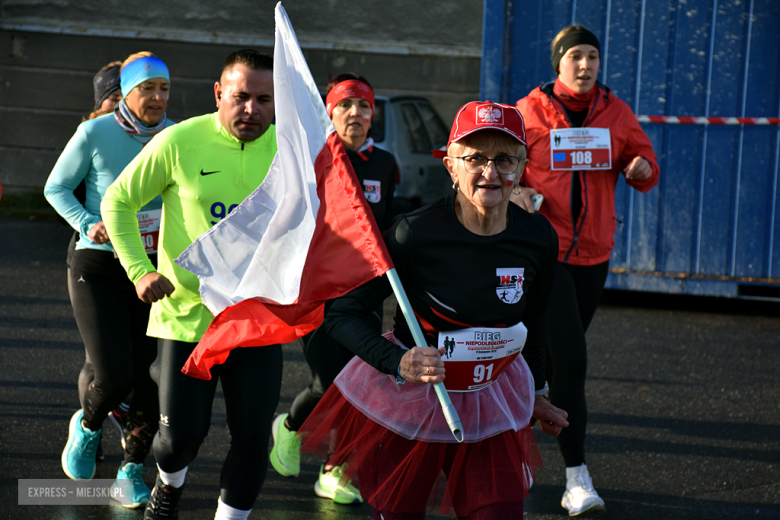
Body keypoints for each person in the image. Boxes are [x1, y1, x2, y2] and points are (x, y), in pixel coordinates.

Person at [297, 100, 570, 519]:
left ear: (522, 166)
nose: (490, 172)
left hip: (490, 399)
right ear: (450, 166)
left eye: (504, 159)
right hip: (414, 402)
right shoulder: (414, 233)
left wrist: (536, 393)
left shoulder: (538, 238)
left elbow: (531, 323)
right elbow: (341, 314)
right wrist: (398, 361)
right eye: (475, 158)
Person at [101, 49, 282, 520]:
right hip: (186, 318)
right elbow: (117, 200)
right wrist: (140, 271)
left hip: (257, 322)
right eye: (241, 97)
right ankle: (169, 483)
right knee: (179, 440)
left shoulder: (292, 152)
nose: (252, 109)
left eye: (264, 99)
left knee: (252, 437)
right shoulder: (180, 141)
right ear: (219, 93)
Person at [512, 25, 660, 516]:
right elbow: (503, 164)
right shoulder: (529, 110)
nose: (584, 65)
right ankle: (577, 481)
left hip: (595, 254)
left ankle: (519, 433)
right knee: (573, 361)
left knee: (553, 365)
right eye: (575, 56)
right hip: (546, 254)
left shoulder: (615, 112)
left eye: (592, 56)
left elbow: (645, 162)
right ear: (558, 63)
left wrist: (641, 167)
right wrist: (518, 191)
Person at [45, 51, 174, 508]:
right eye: (147, 89)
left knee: (151, 379)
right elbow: (55, 186)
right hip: (98, 266)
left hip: (154, 271)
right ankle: (87, 426)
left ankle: (129, 470)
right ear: (127, 91)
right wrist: (86, 222)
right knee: (114, 376)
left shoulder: (176, 137)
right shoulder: (94, 132)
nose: (157, 98)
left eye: (164, 89)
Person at [269, 72, 398, 505]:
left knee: (361, 382)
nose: (355, 114)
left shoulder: (385, 164)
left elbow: (386, 224)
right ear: (329, 111)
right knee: (331, 383)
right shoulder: (312, 160)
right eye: (344, 105)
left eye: (363, 106)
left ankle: (334, 470)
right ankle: (288, 426)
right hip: (318, 291)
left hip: (364, 292)